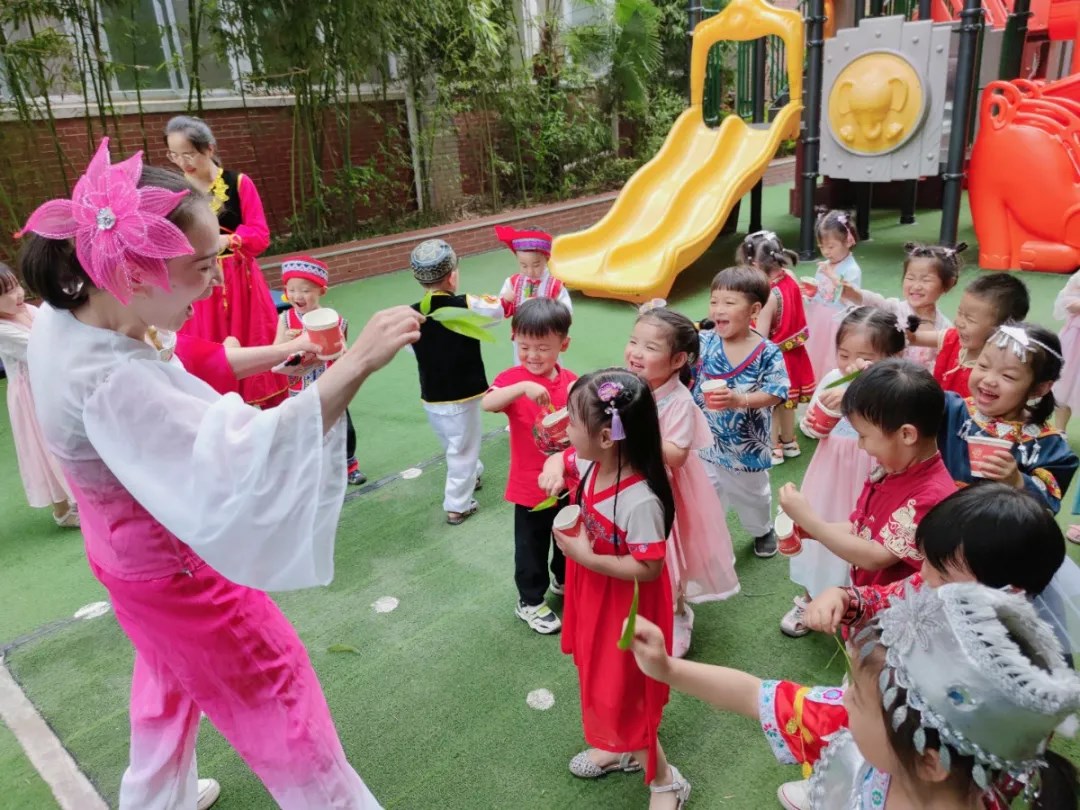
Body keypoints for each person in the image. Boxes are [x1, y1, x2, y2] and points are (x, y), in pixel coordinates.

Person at [19, 138, 423, 809]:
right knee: (277, 691)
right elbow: (235, 452)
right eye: (203, 267)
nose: (215, 282)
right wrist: (353, 368)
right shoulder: (112, 381)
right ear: (137, 273)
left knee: (168, 682)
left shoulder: (75, 321)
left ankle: (156, 799)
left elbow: (178, 359)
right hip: (176, 574)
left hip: (126, 566)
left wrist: (287, 349)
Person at [626, 582, 1080, 810]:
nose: (842, 701)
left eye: (856, 699)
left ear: (929, 761)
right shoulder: (888, 735)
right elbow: (753, 694)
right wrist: (667, 668)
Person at [781, 483, 1068, 810]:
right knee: (871, 736)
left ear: (1006, 591)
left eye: (942, 573)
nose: (924, 577)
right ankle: (845, 783)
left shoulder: (1019, 672)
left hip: (938, 771)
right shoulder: (932, 583)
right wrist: (844, 596)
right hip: (890, 716)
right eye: (925, 560)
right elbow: (888, 597)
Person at [542, 369, 690, 809]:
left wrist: (585, 557)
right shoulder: (593, 461)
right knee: (601, 678)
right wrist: (553, 467)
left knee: (625, 690)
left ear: (607, 436)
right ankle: (618, 748)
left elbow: (647, 567)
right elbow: (563, 459)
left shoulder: (639, 498)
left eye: (571, 420)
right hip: (598, 594)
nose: (565, 428)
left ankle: (666, 780)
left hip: (628, 606)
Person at [780, 307, 906, 638]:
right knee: (817, 531)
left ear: (894, 357)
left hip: (872, 472)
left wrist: (858, 399)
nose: (851, 365)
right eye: (844, 354)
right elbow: (812, 431)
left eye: (864, 358)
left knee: (862, 535)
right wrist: (827, 408)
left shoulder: (896, 389)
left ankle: (858, 604)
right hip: (830, 469)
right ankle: (809, 597)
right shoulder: (833, 379)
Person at [779, 360, 956, 592]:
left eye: (863, 436)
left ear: (906, 434)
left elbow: (876, 555)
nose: (861, 446)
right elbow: (862, 528)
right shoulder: (891, 468)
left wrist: (812, 521)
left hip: (897, 614)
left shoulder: (931, 495)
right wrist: (811, 528)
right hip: (869, 596)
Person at [625, 306, 739, 657]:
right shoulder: (625, 385)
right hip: (629, 486)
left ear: (677, 360)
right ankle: (639, 605)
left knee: (669, 556)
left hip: (666, 493)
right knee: (632, 550)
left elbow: (675, 454)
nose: (636, 353)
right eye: (633, 342)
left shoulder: (679, 400)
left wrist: (632, 431)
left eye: (650, 347)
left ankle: (676, 613)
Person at [164, 115, 287, 408]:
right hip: (198, 280)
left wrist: (228, 240)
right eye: (175, 155)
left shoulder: (238, 183)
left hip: (240, 282)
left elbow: (260, 234)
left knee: (253, 340)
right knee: (205, 342)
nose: (183, 162)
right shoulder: (174, 189)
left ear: (209, 148)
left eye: (189, 154)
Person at [482, 297, 576, 634]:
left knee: (569, 536)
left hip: (568, 480)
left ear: (563, 344)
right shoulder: (512, 379)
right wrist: (521, 386)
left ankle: (564, 581)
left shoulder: (571, 381)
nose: (533, 356)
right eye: (525, 347)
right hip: (530, 486)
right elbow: (487, 402)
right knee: (531, 547)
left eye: (542, 348)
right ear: (514, 340)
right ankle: (530, 601)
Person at [692, 266, 789, 558]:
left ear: (754, 309)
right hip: (706, 443)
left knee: (753, 497)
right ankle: (709, 535)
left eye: (729, 303)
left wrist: (738, 400)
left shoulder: (767, 351)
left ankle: (761, 529)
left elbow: (777, 392)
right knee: (706, 496)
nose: (718, 309)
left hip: (746, 447)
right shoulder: (705, 340)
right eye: (714, 301)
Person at [406, 239, 504, 524]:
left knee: (453, 441)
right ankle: (457, 505)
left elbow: (407, 345)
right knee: (462, 448)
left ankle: (472, 473)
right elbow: (497, 311)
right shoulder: (468, 304)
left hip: (432, 396)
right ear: (452, 275)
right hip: (463, 394)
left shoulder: (414, 314)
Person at [938, 323, 1079, 514]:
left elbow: (1046, 509)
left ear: (1039, 389)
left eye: (1008, 376)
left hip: (995, 538)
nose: (989, 380)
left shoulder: (1051, 448)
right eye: (983, 365)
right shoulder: (948, 408)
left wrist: (1017, 481)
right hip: (937, 523)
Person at [274, 255, 366, 485]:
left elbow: (344, 355)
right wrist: (288, 342)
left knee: (342, 424)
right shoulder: (285, 319)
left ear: (321, 291)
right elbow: (276, 349)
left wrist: (337, 349)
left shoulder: (336, 321)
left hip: (330, 383)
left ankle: (349, 465)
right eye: (291, 290)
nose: (297, 296)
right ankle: (314, 470)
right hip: (300, 386)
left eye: (305, 290)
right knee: (305, 428)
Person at [0, 263, 79, 527]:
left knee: (67, 437)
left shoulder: (30, 310)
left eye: (16, 286)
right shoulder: (2, 329)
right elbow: (38, 348)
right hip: (30, 394)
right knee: (44, 447)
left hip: (50, 383)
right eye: (6, 294)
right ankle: (63, 510)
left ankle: (78, 495)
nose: (17, 295)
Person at [738, 230, 815, 464]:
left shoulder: (769, 295)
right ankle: (790, 442)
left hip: (774, 359)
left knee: (770, 405)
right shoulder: (789, 276)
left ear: (754, 264)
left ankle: (773, 448)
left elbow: (760, 335)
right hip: (794, 354)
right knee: (787, 404)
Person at [909, 273, 1030, 398]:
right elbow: (914, 338)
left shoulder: (995, 371)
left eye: (970, 319)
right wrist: (904, 332)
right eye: (960, 313)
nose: (959, 322)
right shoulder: (952, 338)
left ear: (1001, 329)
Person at [842, 241, 958, 370]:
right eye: (910, 278)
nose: (916, 286)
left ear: (947, 284)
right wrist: (854, 294)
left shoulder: (945, 327)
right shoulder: (895, 309)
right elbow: (875, 301)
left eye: (926, 280)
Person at [495, 225, 572, 365]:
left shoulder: (555, 286)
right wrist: (505, 300)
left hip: (547, 340)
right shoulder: (513, 283)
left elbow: (567, 313)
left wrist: (548, 308)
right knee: (522, 365)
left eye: (536, 265)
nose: (530, 271)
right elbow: (500, 310)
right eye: (524, 265)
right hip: (522, 340)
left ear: (546, 259)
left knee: (551, 368)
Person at [802, 209, 862, 379]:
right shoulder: (826, 265)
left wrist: (830, 274)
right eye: (822, 247)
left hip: (836, 320)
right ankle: (814, 384)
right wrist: (811, 292)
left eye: (831, 246)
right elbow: (820, 290)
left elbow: (846, 297)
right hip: (818, 316)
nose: (826, 252)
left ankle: (829, 385)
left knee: (831, 355)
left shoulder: (852, 269)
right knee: (815, 350)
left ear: (848, 241)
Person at [1052, 269, 1080, 434]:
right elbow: (1067, 301)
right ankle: (1060, 430)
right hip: (1076, 340)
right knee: (1066, 383)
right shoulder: (1078, 278)